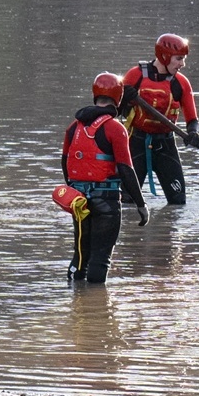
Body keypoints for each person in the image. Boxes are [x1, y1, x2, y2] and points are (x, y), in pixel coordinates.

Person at [61, 72, 149, 284]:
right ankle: (94, 310)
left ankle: (74, 299)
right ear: (118, 98)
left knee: (80, 256)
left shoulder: (73, 127)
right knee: (100, 260)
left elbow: (65, 164)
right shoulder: (115, 128)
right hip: (106, 203)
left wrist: (74, 191)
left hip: (79, 202)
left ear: (95, 95)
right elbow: (126, 169)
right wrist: (141, 204)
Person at [118, 33, 199, 204]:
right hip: (136, 143)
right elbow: (114, 111)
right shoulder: (135, 76)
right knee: (126, 203)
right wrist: (124, 98)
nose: (182, 64)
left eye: (183, 59)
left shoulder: (181, 83)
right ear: (165, 56)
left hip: (166, 146)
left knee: (178, 203)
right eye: (178, 59)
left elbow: (193, 119)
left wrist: (194, 133)